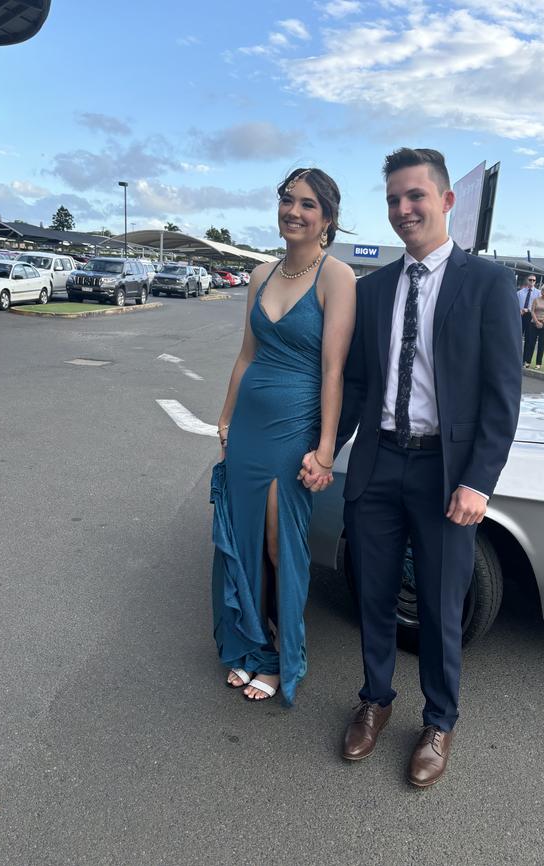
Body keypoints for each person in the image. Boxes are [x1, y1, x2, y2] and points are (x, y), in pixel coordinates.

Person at [319, 148, 521, 787]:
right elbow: (355, 384)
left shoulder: (487, 284)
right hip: (377, 465)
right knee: (373, 592)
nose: (403, 210)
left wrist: (478, 481)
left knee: (439, 604)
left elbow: (501, 395)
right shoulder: (373, 289)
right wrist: (327, 448)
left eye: (415, 197)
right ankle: (375, 699)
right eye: (393, 201)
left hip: (444, 472)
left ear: (446, 201)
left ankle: (439, 720)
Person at [211, 168, 356, 704]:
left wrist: (324, 447)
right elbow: (247, 355)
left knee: (278, 545)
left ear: (327, 219)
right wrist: (224, 420)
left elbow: (333, 371)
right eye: (287, 201)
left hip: (294, 429)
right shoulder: (259, 274)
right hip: (248, 426)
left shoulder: (336, 276)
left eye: (308, 205)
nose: (294, 211)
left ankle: (281, 657)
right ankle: (252, 645)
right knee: (243, 539)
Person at [523, 282, 544, 368]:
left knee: (541, 344)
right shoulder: (536, 299)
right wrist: (536, 322)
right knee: (531, 343)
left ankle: (538, 363)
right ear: (541, 290)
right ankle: (527, 362)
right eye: (543, 290)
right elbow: (532, 311)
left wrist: (543, 322)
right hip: (534, 323)